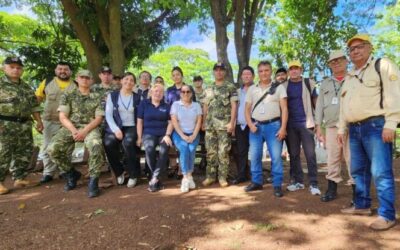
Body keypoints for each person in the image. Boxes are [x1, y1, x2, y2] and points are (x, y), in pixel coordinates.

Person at [338, 34, 400, 230]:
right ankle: (362, 205)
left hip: (376, 126)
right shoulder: (348, 77)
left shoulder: (382, 65)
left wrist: (391, 122)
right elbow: (343, 105)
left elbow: (395, 93)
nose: (355, 51)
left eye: (360, 46)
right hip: (354, 129)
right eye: (352, 49)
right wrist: (341, 128)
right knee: (358, 171)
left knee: (380, 172)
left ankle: (387, 215)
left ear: (370, 48)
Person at [48, 69, 105, 198]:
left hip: (90, 128)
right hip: (70, 127)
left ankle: (93, 181)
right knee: (52, 149)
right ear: (77, 79)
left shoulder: (98, 96)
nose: (85, 79)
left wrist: (84, 131)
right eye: (82, 77)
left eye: (87, 77)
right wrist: (74, 131)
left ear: (91, 81)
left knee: (96, 145)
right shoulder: (68, 95)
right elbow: (63, 117)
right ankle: (71, 173)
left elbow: (98, 118)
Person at [315, 50, 355, 203]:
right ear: (330, 65)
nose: (336, 63)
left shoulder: (353, 78)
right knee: (332, 158)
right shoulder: (325, 82)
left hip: (351, 126)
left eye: (339, 60)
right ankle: (332, 189)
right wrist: (319, 126)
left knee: (352, 158)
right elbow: (319, 106)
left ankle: (356, 191)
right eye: (333, 61)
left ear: (346, 61)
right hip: (331, 127)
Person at [244, 61, 288, 197]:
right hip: (256, 126)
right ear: (258, 72)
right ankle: (257, 182)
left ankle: (277, 185)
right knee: (255, 156)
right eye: (261, 71)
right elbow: (246, 109)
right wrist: (250, 125)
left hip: (273, 126)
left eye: (266, 70)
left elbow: (285, 109)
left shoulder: (279, 88)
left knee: (276, 157)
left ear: (270, 71)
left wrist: (283, 128)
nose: (264, 73)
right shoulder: (252, 89)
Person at [0, 57, 43, 194]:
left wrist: (38, 121)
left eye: (18, 67)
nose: (15, 70)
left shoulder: (25, 86)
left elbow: (34, 105)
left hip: (24, 124)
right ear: (3, 68)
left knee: (24, 152)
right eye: (11, 67)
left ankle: (19, 178)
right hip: (5, 124)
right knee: (3, 153)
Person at [283, 60, 321, 195]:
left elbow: (316, 101)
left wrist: (319, 122)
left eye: (296, 68)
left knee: (310, 154)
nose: (294, 71)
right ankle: (298, 182)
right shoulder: (284, 85)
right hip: (290, 125)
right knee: (293, 155)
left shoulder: (308, 83)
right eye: (291, 69)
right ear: (288, 72)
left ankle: (314, 183)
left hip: (307, 123)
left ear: (301, 70)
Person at [35, 61, 76, 183]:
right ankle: (48, 172)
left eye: (66, 69)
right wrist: (37, 120)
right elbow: (36, 101)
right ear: (56, 70)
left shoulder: (76, 85)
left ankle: (65, 171)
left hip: (68, 122)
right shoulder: (47, 82)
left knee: (67, 148)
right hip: (50, 121)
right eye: (60, 69)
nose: (63, 71)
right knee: (47, 147)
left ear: (70, 72)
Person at [202, 62, 238, 187]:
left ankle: (222, 177)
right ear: (213, 72)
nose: (219, 72)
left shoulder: (230, 87)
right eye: (216, 70)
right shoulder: (208, 88)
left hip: (224, 125)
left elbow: (234, 106)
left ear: (225, 72)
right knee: (211, 152)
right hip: (210, 126)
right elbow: (205, 106)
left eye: (221, 70)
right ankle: (210, 176)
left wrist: (232, 123)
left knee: (223, 152)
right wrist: (203, 122)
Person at [104, 72, 140, 188]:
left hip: (132, 126)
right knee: (108, 143)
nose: (128, 82)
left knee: (128, 143)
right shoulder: (112, 96)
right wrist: (115, 130)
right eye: (126, 79)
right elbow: (108, 115)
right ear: (121, 81)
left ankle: (133, 175)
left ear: (134, 84)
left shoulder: (138, 97)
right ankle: (119, 172)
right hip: (116, 126)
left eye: (131, 80)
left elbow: (140, 118)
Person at [137, 84, 173, 192]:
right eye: (156, 91)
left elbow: (171, 122)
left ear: (163, 94)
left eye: (161, 92)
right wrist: (139, 137)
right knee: (149, 149)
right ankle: (156, 178)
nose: (158, 93)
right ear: (151, 92)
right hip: (148, 133)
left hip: (163, 133)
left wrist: (167, 135)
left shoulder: (166, 106)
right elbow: (139, 122)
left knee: (163, 149)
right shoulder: (144, 104)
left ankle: (154, 178)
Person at [170, 85, 202, 192]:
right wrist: (183, 136)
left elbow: (198, 122)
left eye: (188, 91)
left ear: (191, 93)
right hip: (179, 133)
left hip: (194, 133)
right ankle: (185, 177)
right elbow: (174, 122)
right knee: (184, 149)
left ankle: (189, 175)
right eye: (183, 92)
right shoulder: (175, 105)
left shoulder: (196, 105)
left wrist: (193, 135)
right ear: (180, 94)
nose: (185, 94)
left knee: (191, 149)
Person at [232, 66, 254, 185]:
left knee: (255, 151)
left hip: (254, 125)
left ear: (253, 76)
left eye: (248, 74)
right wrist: (234, 123)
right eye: (244, 74)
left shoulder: (257, 89)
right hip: (240, 125)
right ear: (241, 77)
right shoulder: (238, 91)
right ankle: (242, 175)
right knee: (241, 151)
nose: (246, 76)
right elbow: (235, 108)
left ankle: (255, 175)